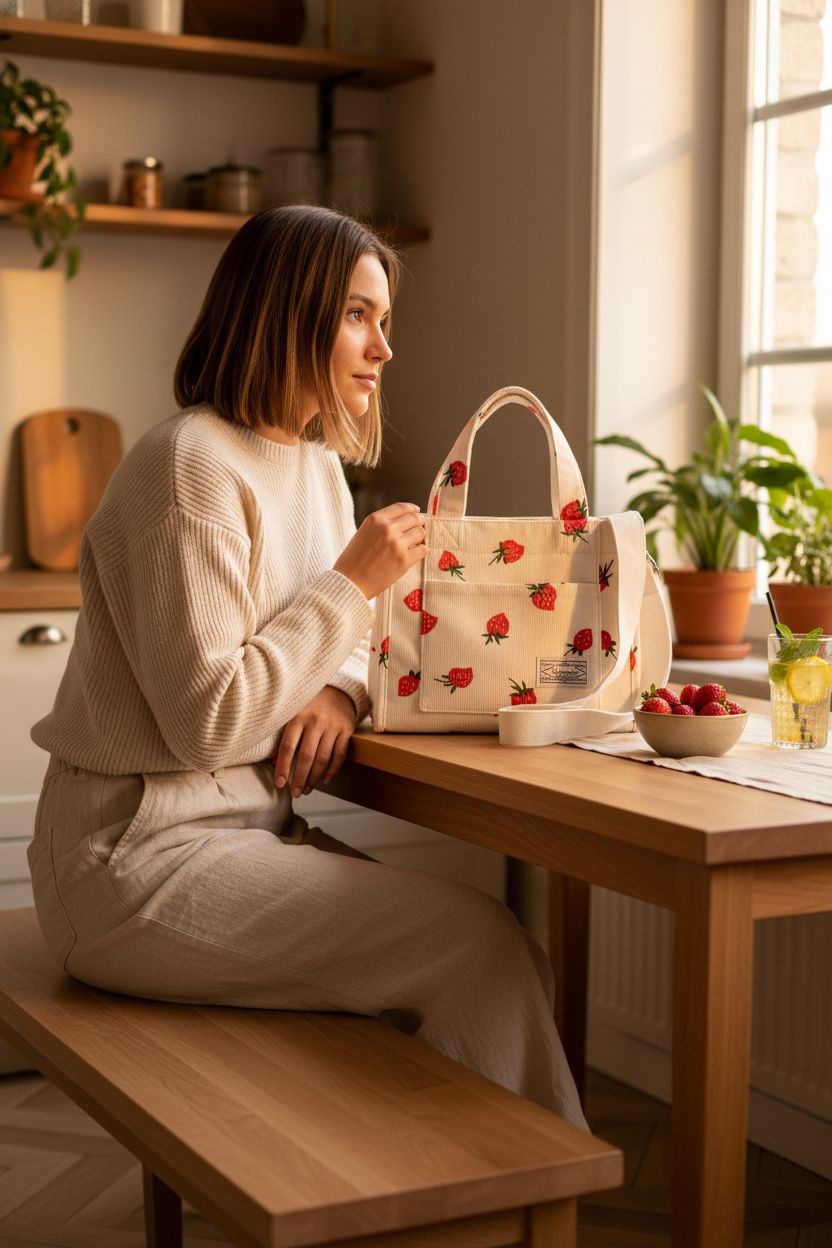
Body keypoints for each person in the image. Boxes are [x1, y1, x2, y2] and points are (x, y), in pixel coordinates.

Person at [28, 205, 587, 1129]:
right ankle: (514, 1214)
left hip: (240, 835)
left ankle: (460, 1201)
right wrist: (349, 581)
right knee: (478, 946)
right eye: (359, 317)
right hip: (129, 859)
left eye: (385, 321)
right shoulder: (188, 466)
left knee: (506, 957)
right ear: (288, 313)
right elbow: (211, 723)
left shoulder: (319, 470)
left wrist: (339, 685)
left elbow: (363, 640)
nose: (384, 349)